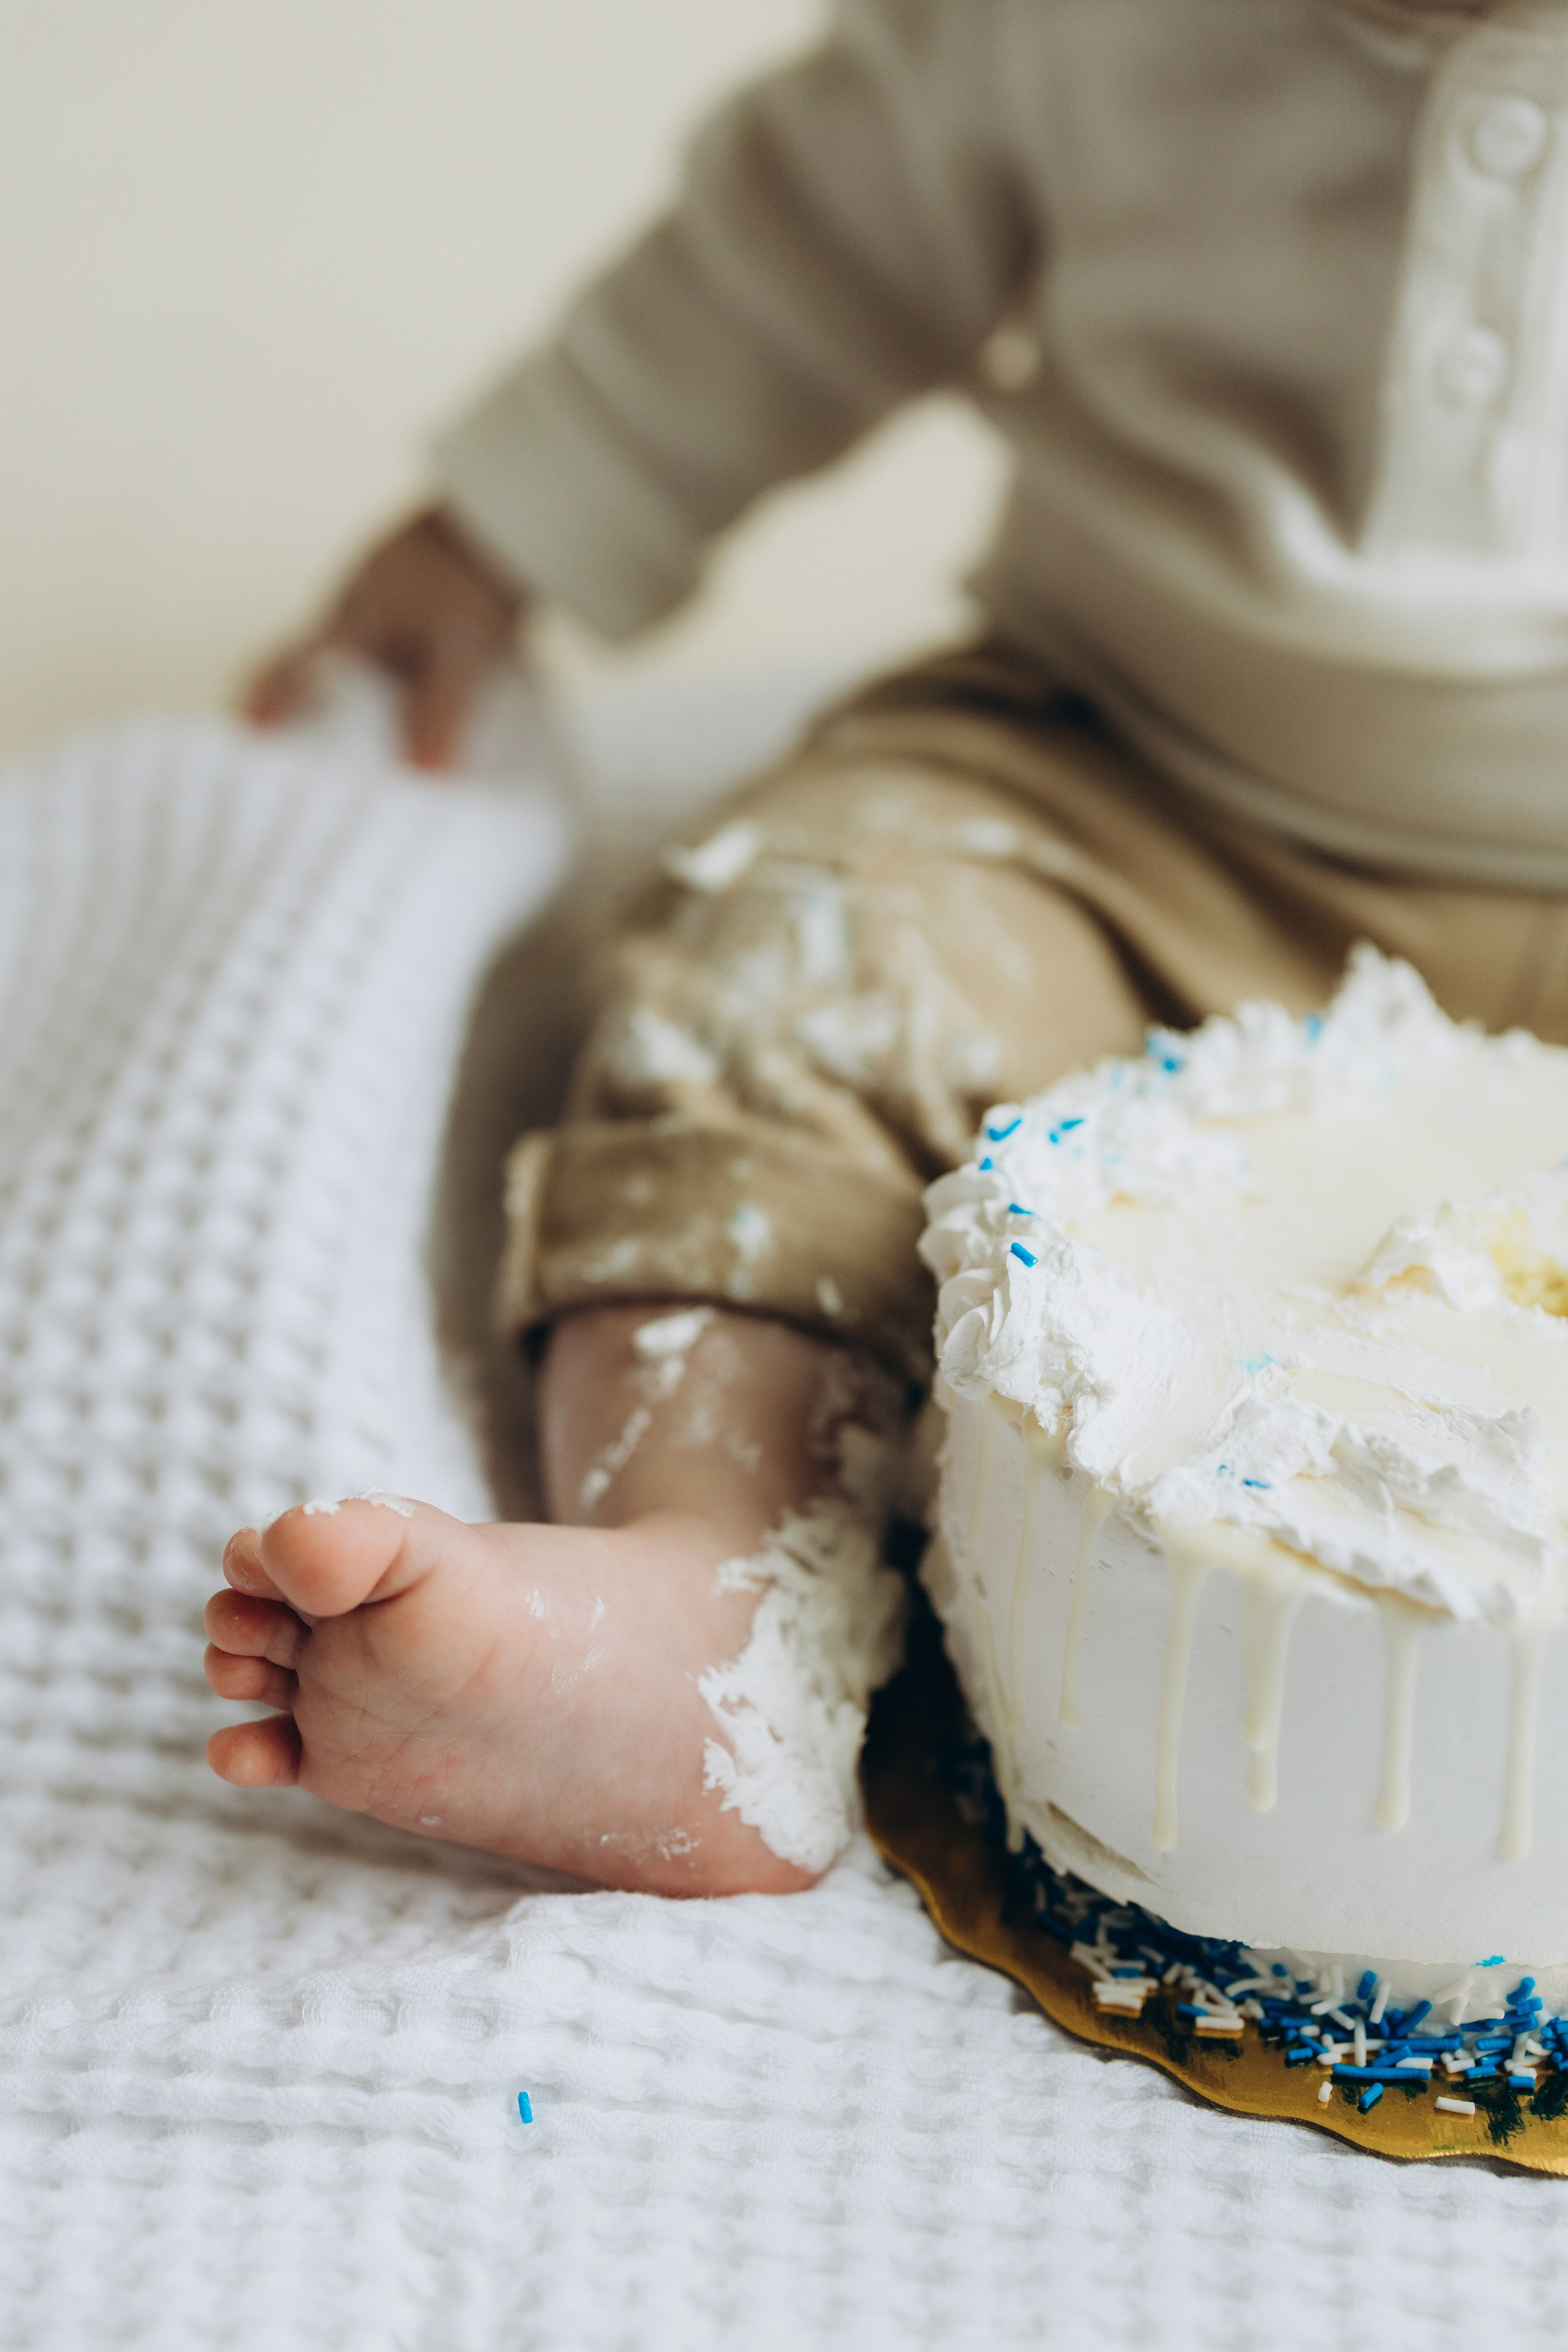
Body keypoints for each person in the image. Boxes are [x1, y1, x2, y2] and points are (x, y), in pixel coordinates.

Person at [203, 0, 1568, 1893]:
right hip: (1114, 778)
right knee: (792, 967)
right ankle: (720, 1610)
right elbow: (812, 241)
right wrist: (514, 522)